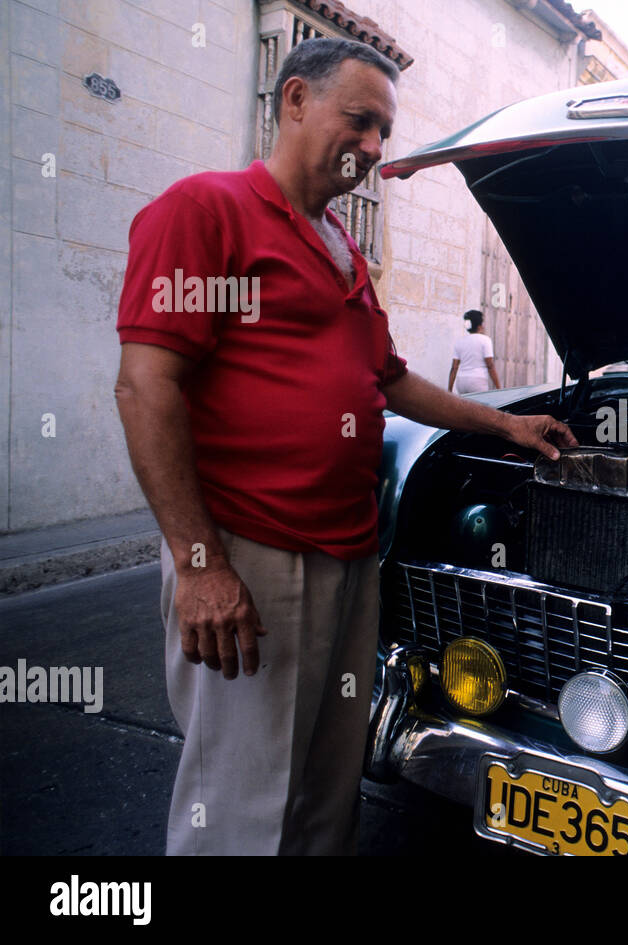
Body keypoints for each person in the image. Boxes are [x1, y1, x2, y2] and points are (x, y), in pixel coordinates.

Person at [113, 37, 577, 855]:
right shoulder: (204, 210)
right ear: (295, 100)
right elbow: (146, 388)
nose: (372, 146)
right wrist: (199, 565)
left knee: (328, 793)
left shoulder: (341, 248)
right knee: (241, 809)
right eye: (359, 121)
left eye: (382, 134)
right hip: (252, 557)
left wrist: (505, 424)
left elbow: (389, 377)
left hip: (352, 556)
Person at [448, 309, 501, 393]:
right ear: (480, 326)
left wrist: (449, 389)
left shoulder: (459, 342)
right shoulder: (485, 340)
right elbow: (490, 365)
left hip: (461, 382)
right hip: (478, 381)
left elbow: (454, 368)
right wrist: (498, 387)